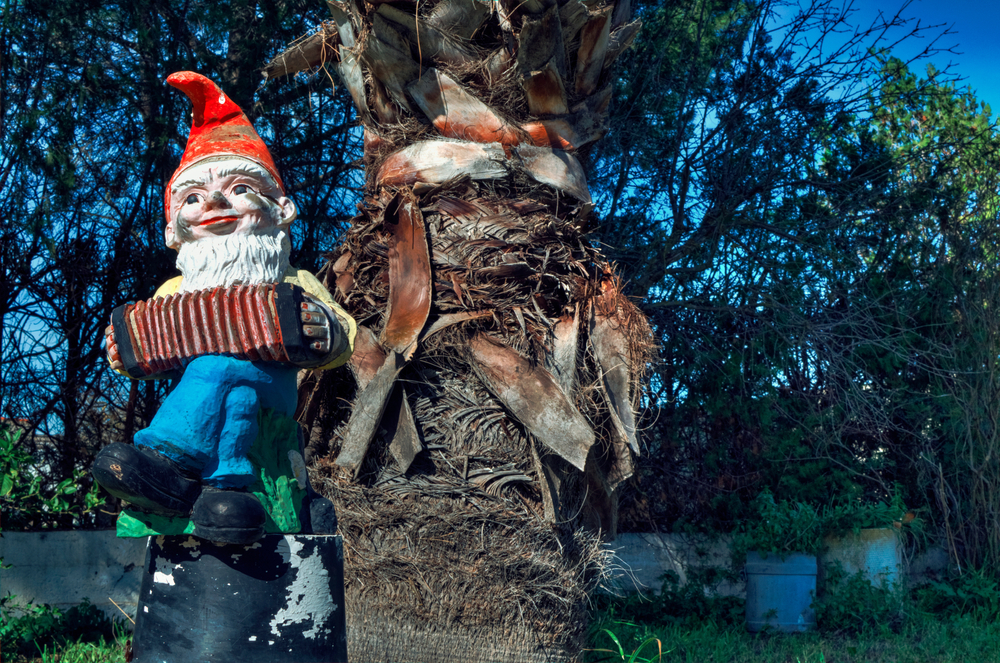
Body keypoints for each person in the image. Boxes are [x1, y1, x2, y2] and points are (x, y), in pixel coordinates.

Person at [93, 71, 356, 545]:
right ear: (173, 229)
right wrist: (122, 352)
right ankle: (227, 493)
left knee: (215, 368)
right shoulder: (175, 289)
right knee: (233, 394)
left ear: (281, 209)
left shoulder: (293, 281)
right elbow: (146, 348)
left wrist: (325, 331)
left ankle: (169, 465)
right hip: (219, 400)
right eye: (193, 198)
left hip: (276, 391)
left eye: (238, 189)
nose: (214, 201)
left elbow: (344, 337)